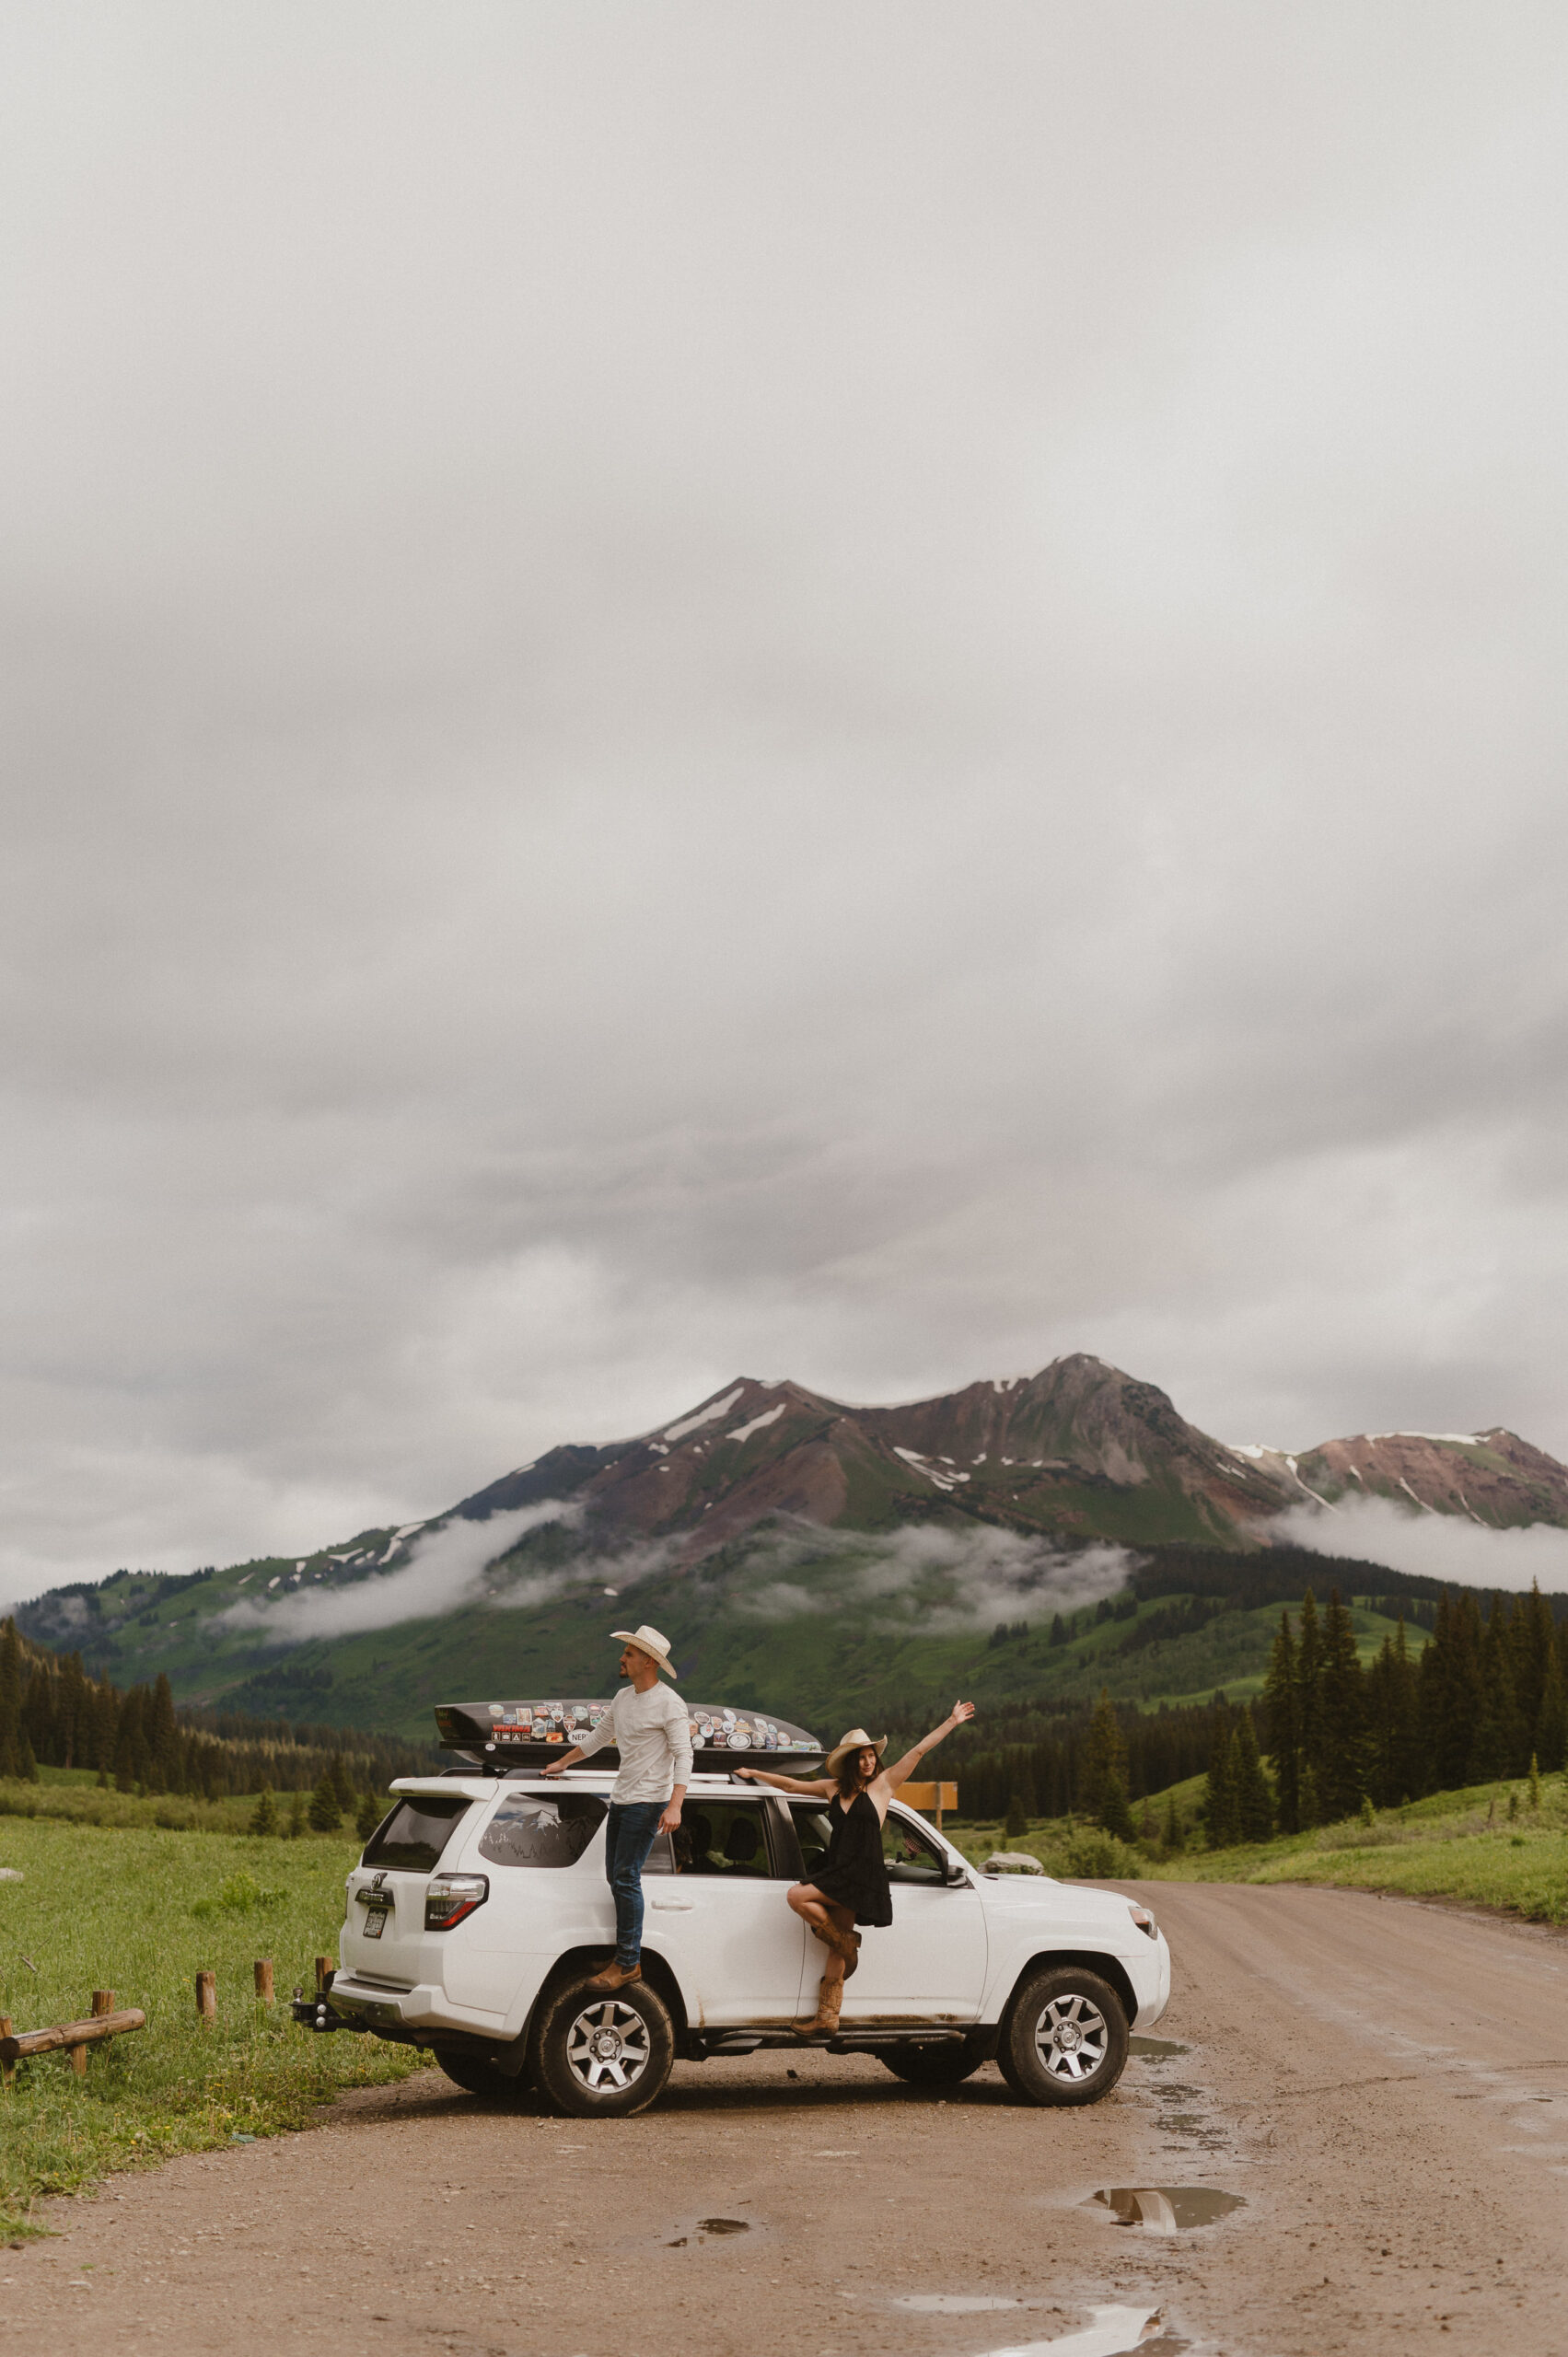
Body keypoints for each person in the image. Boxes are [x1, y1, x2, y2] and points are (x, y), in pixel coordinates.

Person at [737, 1699, 974, 2034]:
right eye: (861, 1757)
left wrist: (951, 1721)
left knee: (797, 1897)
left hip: (863, 1874)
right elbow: (791, 1786)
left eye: (871, 1756)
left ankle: (845, 1950)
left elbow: (919, 1751)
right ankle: (828, 2016)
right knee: (833, 1937)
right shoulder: (832, 1789)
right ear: (850, 1761)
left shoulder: (883, 1786)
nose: (867, 1762)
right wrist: (754, 1773)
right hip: (838, 1870)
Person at [541, 1623, 691, 1992]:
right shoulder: (624, 1697)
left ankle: (627, 1962)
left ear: (649, 1661)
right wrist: (562, 1763)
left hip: (649, 1801)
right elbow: (596, 1738)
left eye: (629, 1653)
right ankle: (623, 1953)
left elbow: (684, 1754)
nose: (622, 1657)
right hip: (622, 1798)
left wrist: (675, 1806)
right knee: (615, 1876)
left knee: (626, 1877)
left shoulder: (670, 1703)